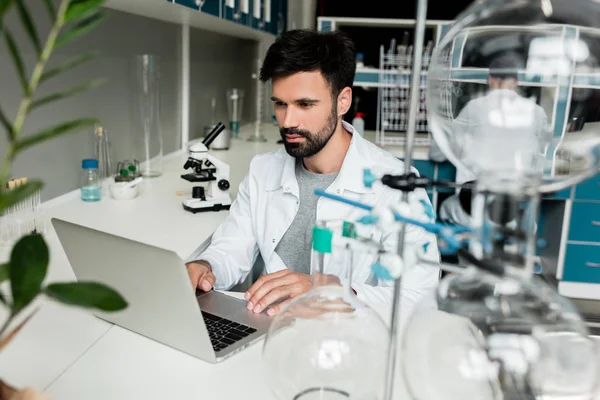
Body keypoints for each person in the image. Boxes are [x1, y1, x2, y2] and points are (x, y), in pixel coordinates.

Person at [185, 29, 441, 316]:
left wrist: (331, 291)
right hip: (269, 331)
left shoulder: (397, 188)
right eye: (280, 104)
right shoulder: (262, 170)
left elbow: (418, 297)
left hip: (344, 341)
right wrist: (206, 267)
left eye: (305, 104)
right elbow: (232, 248)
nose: (288, 121)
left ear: (343, 101)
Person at [430, 54, 551, 226]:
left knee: (445, 209)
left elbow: (438, 153)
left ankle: (456, 249)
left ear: (490, 80)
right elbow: (544, 148)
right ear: (516, 82)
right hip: (513, 208)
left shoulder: (474, 108)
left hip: (475, 206)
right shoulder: (536, 112)